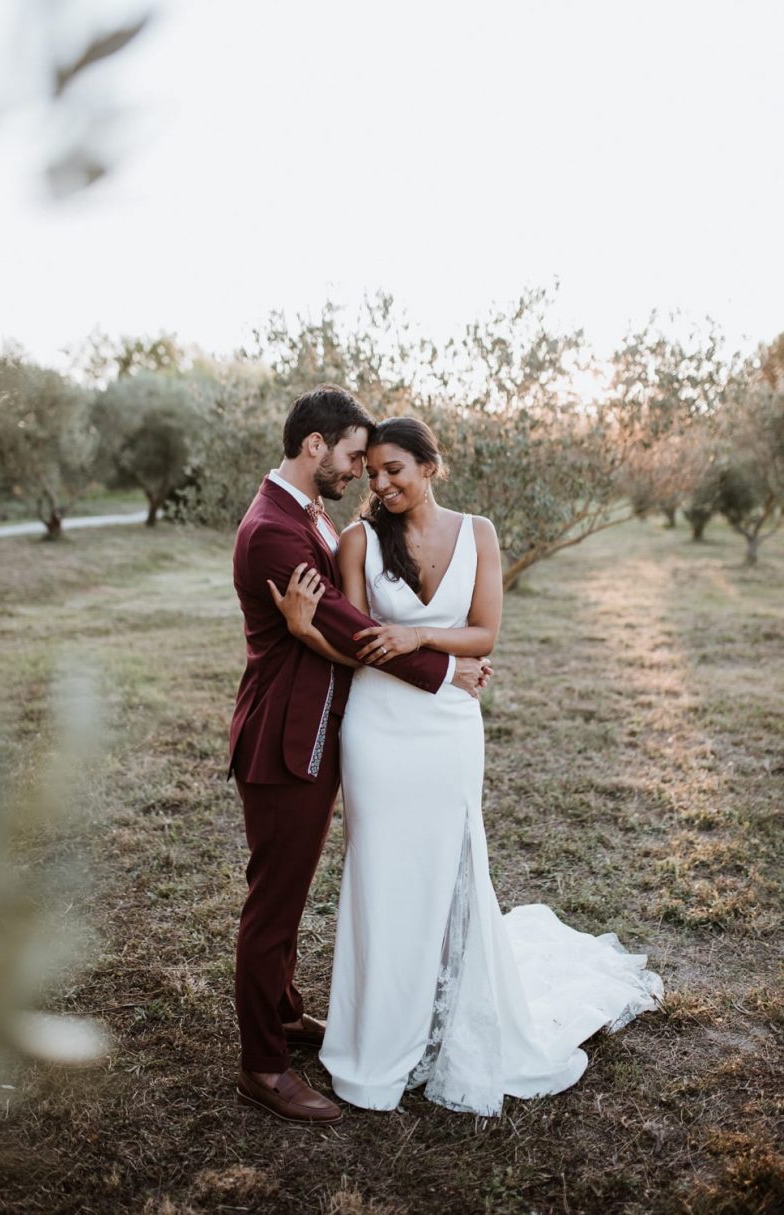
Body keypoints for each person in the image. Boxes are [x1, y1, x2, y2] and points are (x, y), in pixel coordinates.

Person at [275, 416, 663, 1117]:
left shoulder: (477, 532)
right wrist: (315, 631)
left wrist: (423, 635)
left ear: (431, 465)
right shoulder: (359, 541)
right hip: (378, 731)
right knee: (380, 873)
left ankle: (451, 1012)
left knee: (452, 864)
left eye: (396, 468)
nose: (383, 483)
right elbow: (360, 643)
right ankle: (379, 1036)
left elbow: (485, 631)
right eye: (373, 474)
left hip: (450, 731)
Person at [229, 388, 489, 1126]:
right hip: (287, 737)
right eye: (351, 457)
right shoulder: (273, 530)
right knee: (273, 906)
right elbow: (348, 625)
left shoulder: (300, 513)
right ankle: (263, 1066)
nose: (359, 473)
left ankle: (282, 1013)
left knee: (287, 883)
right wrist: (446, 672)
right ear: (316, 445)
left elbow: (344, 623)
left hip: (319, 726)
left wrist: (442, 660)